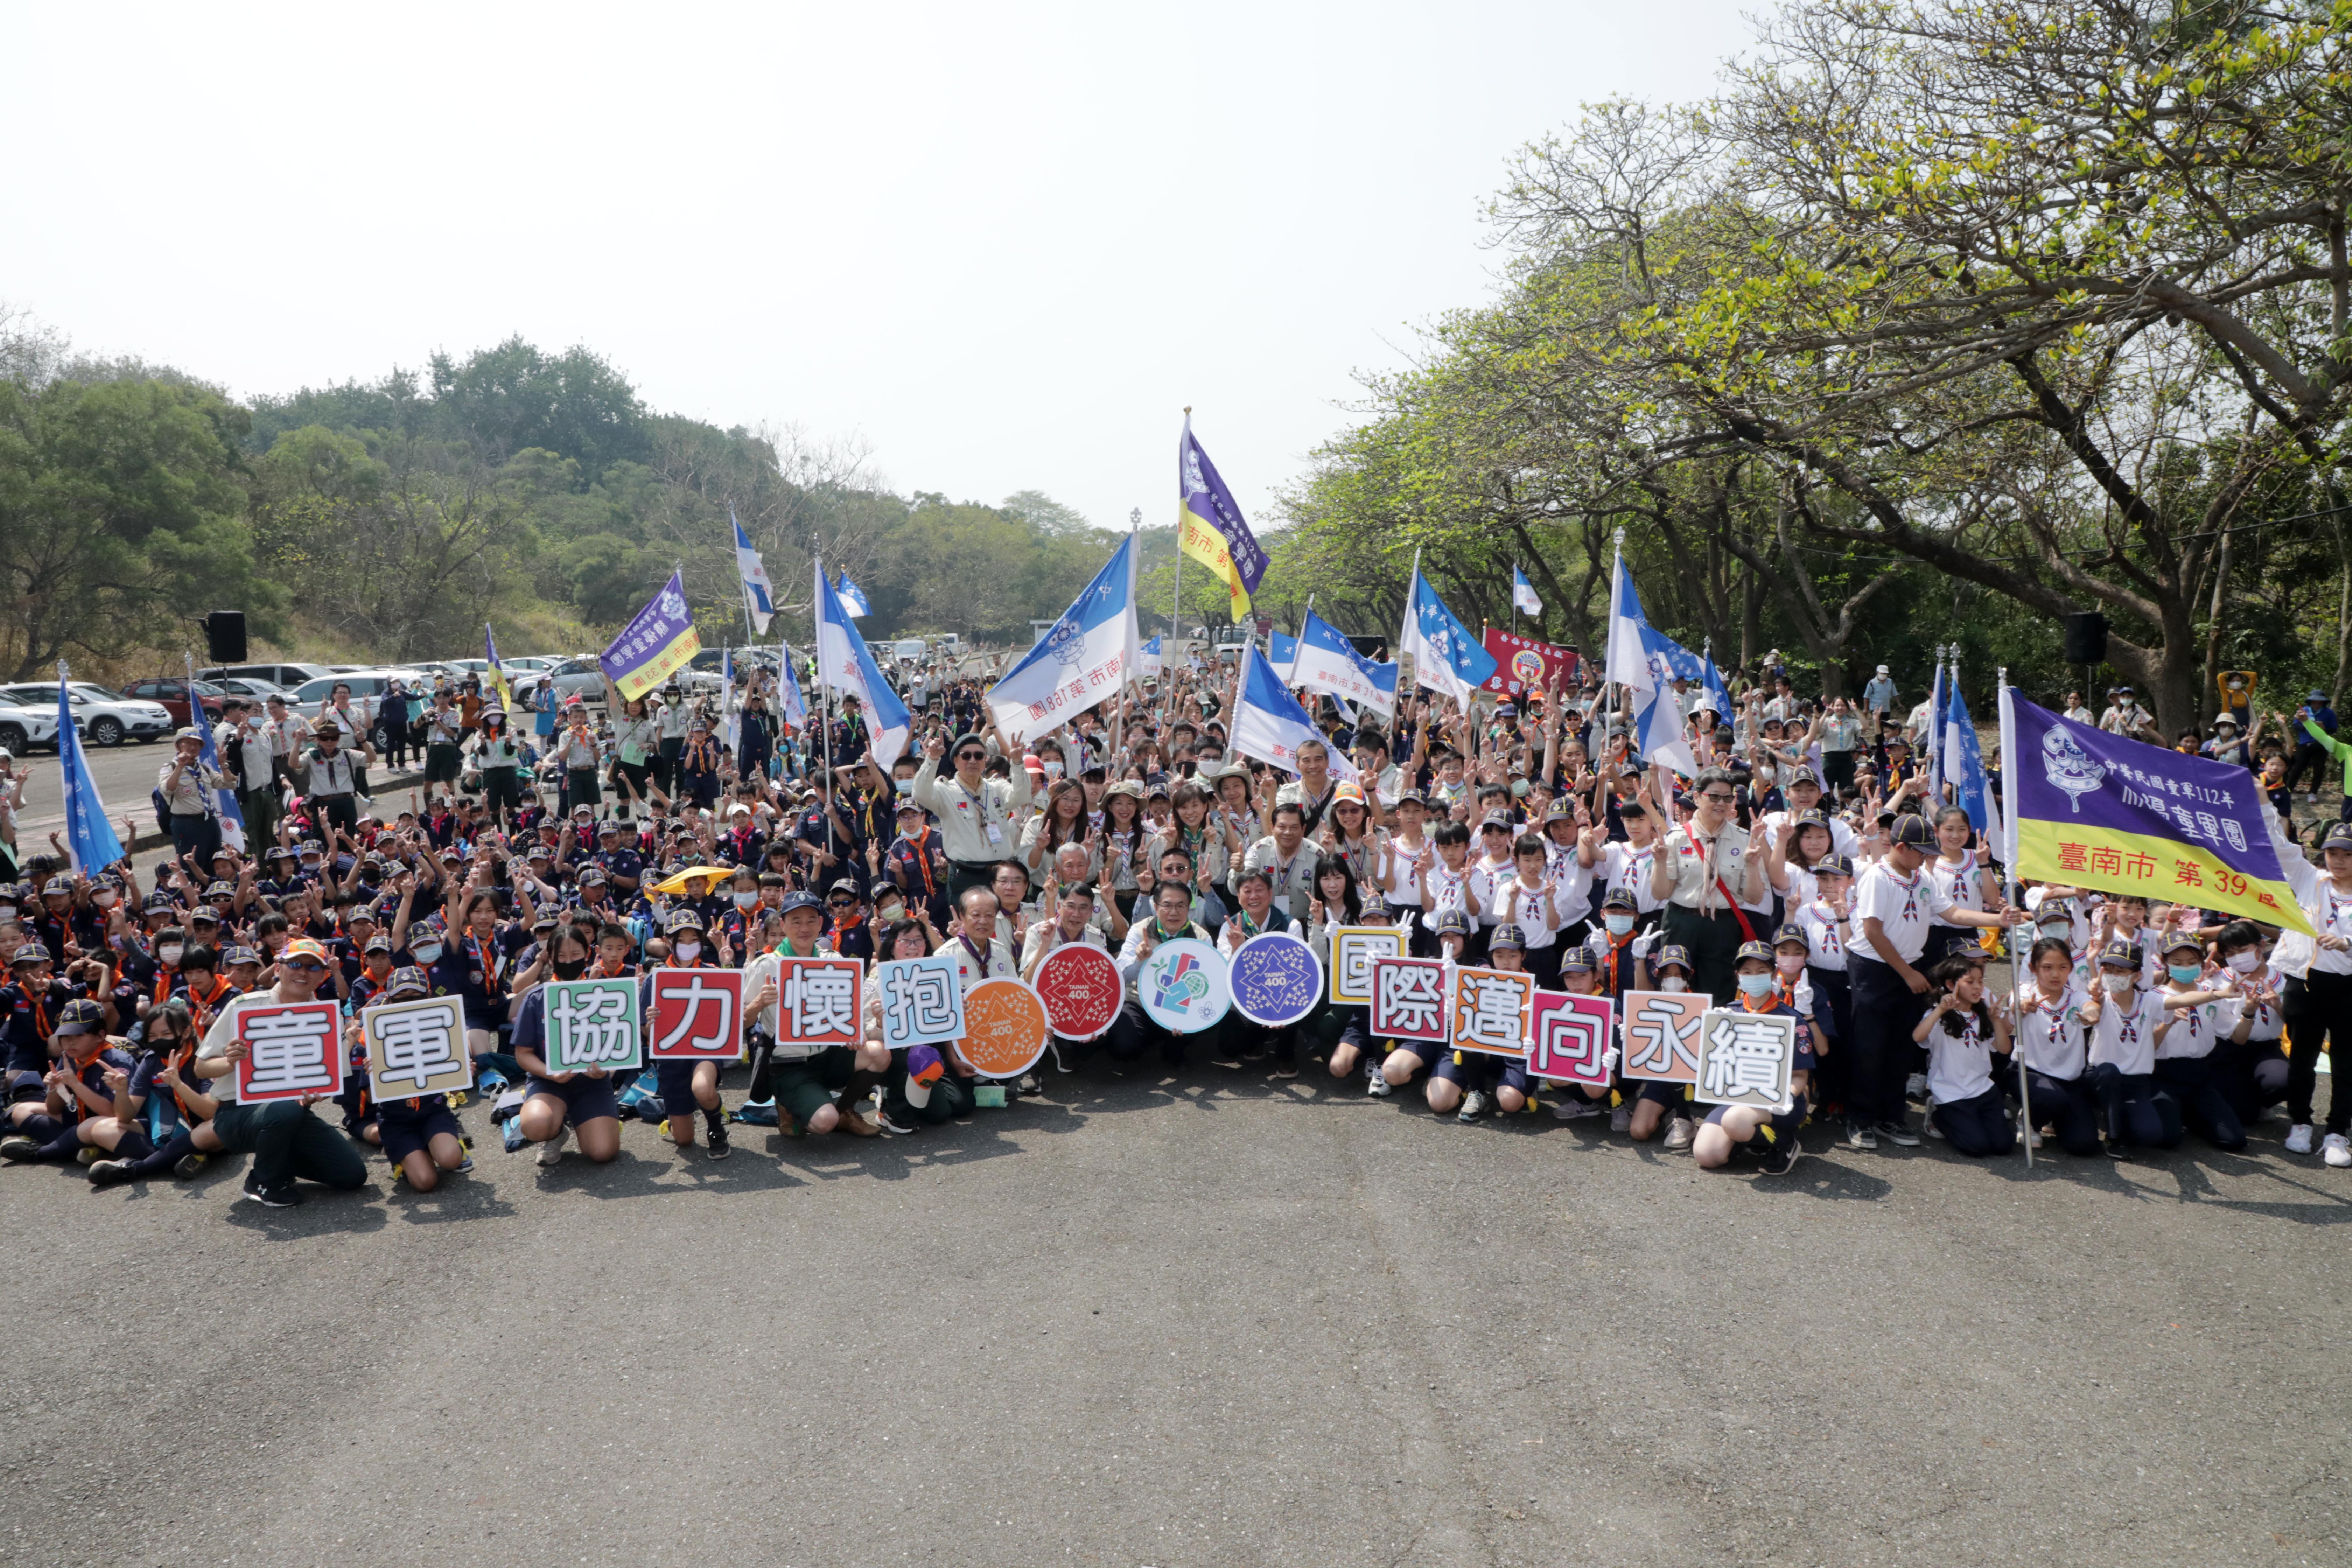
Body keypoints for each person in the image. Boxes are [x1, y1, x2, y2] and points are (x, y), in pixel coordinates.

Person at [1843, 813, 2025, 1151]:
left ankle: (1891, 1116)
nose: (1929, 857)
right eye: (1922, 851)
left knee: (1901, 1045)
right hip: (1876, 969)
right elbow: (1872, 931)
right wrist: (1908, 973)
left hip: (1909, 967)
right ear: (1900, 847)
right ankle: (1860, 1118)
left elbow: (1953, 913)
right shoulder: (1877, 877)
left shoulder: (1922, 877)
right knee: (1870, 1047)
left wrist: (1996, 919)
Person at [185, 937, 371, 1207]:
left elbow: (324, 1082)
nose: (303, 972)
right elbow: (200, 1068)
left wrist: (311, 1097)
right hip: (236, 1113)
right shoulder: (245, 1007)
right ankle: (263, 1180)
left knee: (353, 1175)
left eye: (313, 967)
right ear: (277, 968)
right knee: (286, 1110)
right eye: (295, 964)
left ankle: (279, 1162)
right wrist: (230, 1062)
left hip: (290, 1113)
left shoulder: (323, 1018)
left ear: (323, 976)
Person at [2269, 818, 2352, 1166]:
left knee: (2346, 1062)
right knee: (2302, 1057)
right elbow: (2279, 847)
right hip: (2304, 983)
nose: (2338, 860)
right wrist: (2261, 803)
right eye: (2332, 852)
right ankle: (2301, 1121)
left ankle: (2337, 1132)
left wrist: (2348, 942)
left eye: (2347, 854)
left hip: (2347, 988)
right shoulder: (2309, 878)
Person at [1690, 942, 1809, 1175]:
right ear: (1738, 977)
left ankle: (1785, 1143)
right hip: (1738, 1098)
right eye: (1747, 972)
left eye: (1762, 971)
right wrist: (1709, 1034)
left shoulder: (1791, 1019)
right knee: (1707, 1155)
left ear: (1774, 974)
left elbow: (1800, 1076)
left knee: (1735, 1122)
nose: (1754, 977)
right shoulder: (1729, 1014)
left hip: (1777, 1101)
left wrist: (1787, 1097)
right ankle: (1745, 1139)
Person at [509, 927, 623, 1167]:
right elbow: (523, 1054)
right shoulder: (537, 998)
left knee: (603, 1152)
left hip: (592, 1083)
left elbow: (619, 1048)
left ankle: (586, 1122)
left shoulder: (608, 995)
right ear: (550, 958)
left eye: (576, 954)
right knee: (536, 1125)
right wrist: (550, 1073)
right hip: (549, 1083)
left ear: (589, 954)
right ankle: (555, 1132)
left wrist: (607, 1071)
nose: (569, 961)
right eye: (561, 956)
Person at [908, 729, 1034, 904]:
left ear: (986, 760)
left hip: (1001, 874)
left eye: (979, 756)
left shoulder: (997, 786)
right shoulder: (946, 790)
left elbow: (1022, 797)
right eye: (966, 756)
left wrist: (1018, 763)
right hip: (966, 876)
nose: (973, 761)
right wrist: (933, 759)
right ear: (956, 761)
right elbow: (920, 794)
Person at [1910, 953, 2015, 1156]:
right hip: (1952, 1094)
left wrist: (1996, 1020)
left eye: (1981, 981)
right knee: (1976, 1147)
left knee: (2003, 1146)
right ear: (1951, 985)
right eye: (1970, 982)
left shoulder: (1982, 1014)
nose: (1978, 987)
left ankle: (1973, 1122)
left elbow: (2004, 1049)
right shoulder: (1940, 1015)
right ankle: (1939, 1119)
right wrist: (1940, 1009)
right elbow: (1918, 1037)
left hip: (1983, 1089)